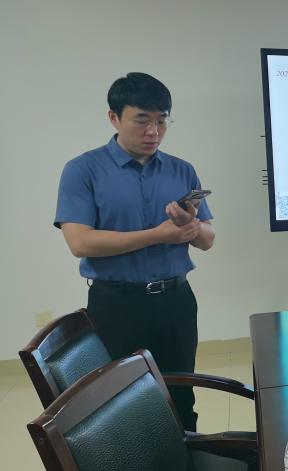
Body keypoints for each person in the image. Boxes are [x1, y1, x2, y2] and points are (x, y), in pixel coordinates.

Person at [54, 72, 214, 431]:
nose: (153, 131)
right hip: (116, 305)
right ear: (113, 117)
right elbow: (80, 242)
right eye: (142, 120)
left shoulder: (181, 170)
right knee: (122, 404)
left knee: (181, 396)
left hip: (175, 301)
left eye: (162, 121)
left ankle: (185, 454)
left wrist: (191, 227)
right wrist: (157, 235)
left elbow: (207, 239)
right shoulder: (83, 170)